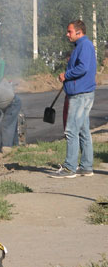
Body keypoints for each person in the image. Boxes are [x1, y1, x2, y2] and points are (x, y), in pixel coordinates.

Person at [51, 20, 96, 178]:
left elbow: (83, 68)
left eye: (69, 31)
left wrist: (66, 75)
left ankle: (69, 168)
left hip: (80, 94)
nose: (67, 34)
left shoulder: (84, 45)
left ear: (79, 32)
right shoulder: (82, 46)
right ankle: (86, 166)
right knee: (83, 131)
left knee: (71, 131)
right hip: (82, 93)